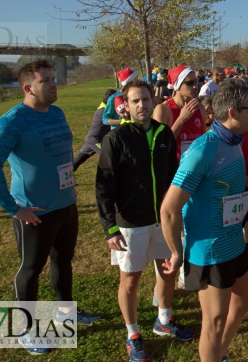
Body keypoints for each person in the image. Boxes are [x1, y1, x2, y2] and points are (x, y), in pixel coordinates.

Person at [0, 60, 99, 354]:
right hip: (34, 211)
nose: (54, 83)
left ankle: (66, 313)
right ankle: (25, 329)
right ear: (27, 88)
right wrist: (13, 207)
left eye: (53, 78)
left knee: (63, 261)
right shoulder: (12, 121)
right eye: (45, 80)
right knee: (30, 269)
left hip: (66, 205)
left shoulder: (56, 113)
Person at [95, 80, 193, 361]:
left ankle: (164, 319)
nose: (142, 105)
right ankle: (132, 334)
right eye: (135, 101)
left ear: (153, 101)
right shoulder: (116, 139)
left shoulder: (164, 133)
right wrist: (110, 227)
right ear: (125, 106)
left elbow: (174, 177)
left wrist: (177, 214)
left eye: (146, 99)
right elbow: (103, 187)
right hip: (130, 223)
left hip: (162, 220)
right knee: (130, 280)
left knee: (167, 271)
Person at [161, 79, 248, 362]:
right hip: (209, 251)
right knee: (214, 322)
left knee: (241, 304)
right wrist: (177, 252)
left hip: (234, 243)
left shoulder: (234, 140)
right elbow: (169, 209)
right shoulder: (203, 150)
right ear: (233, 114)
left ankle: (218, 355)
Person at [153, 65, 207, 160]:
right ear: (177, 85)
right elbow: (161, 145)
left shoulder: (200, 108)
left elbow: (203, 142)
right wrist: (181, 119)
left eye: (196, 82)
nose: (195, 86)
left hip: (196, 167)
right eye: (190, 83)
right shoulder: (163, 109)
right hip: (173, 169)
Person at [73, 89, 117, 172]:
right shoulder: (104, 112)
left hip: (94, 139)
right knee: (110, 156)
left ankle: (65, 180)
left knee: (76, 162)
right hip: (94, 140)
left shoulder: (105, 107)